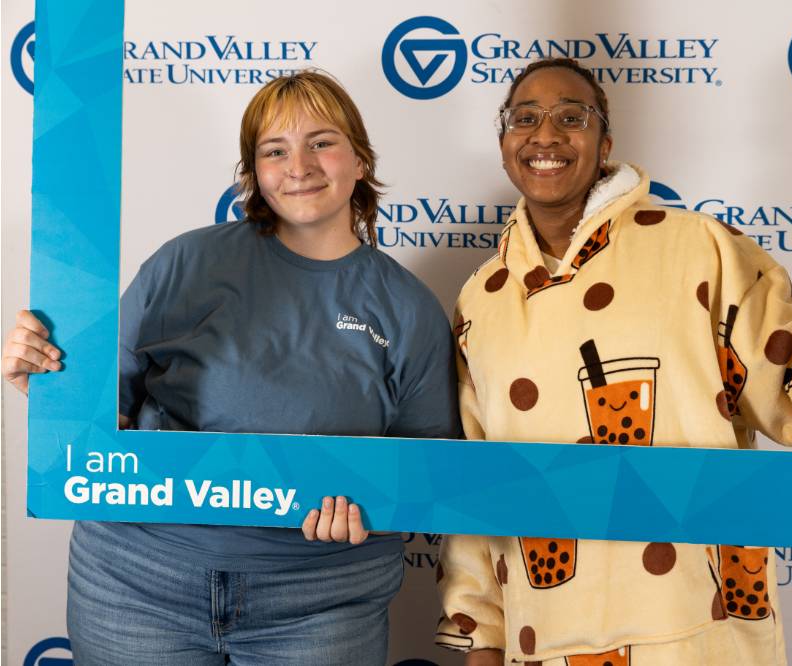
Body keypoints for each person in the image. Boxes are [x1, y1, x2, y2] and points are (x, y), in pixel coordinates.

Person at [434, 58, 792, 666]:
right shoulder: (481, 299)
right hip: (543, 631)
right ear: (504, 143)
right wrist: (484, 638)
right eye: (525, 118)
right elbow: (477, 486)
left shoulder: (697, 246)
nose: (545, 135)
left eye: (571, 118)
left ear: (605, 144)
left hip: (694, 622)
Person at [3, 71, 459, 665]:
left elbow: (425, 472)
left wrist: (373, 508)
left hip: (321, 598)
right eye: (275, 151)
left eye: (321, 142)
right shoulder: (186, 263)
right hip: (139, 581)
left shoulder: (407, 307)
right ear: (254, 172)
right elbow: (103, 414)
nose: (299, 166)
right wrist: (50, 388)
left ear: (360, 159)